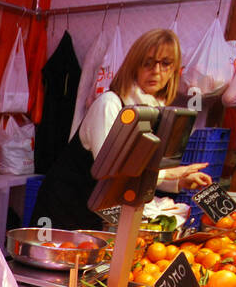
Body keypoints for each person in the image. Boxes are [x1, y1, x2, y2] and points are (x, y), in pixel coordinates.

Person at [29, 28, 213, 231]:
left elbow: (143, 172)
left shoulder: (156, 111)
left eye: (166, 64)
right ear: (134, 65)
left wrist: (178, 182)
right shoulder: (110, 104)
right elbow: (112, 171)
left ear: (175, 70)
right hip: (64, 208)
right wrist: (169, 174)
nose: (157, 71)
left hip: (97, 213)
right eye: (148, 63)